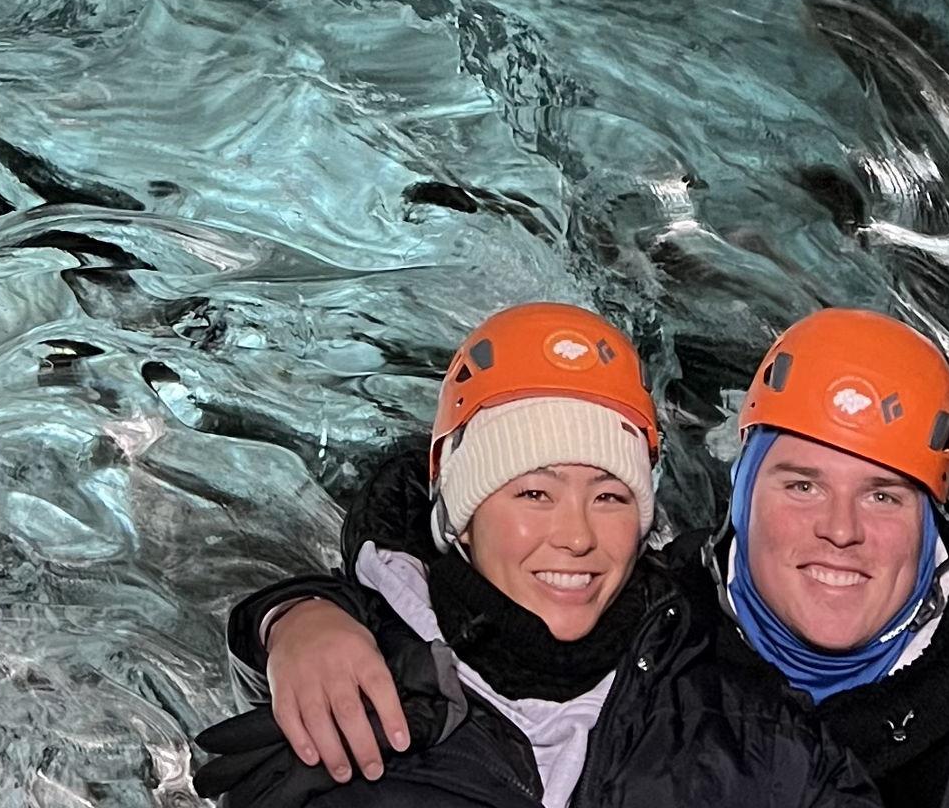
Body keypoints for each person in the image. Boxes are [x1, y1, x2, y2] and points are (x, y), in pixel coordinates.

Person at [222, 308, 949, 808]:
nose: (841, 530)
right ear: (740, 498)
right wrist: (296, 615)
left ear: (933, 527)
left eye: (886, 496)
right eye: (803, 484)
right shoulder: (668, 609)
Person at [194, 302, 879, 808]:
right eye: (533, 493)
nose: (577, 536)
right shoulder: (348, 705)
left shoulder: (750, 733)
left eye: (611, 498)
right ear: (461, 517)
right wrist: (288, 619)